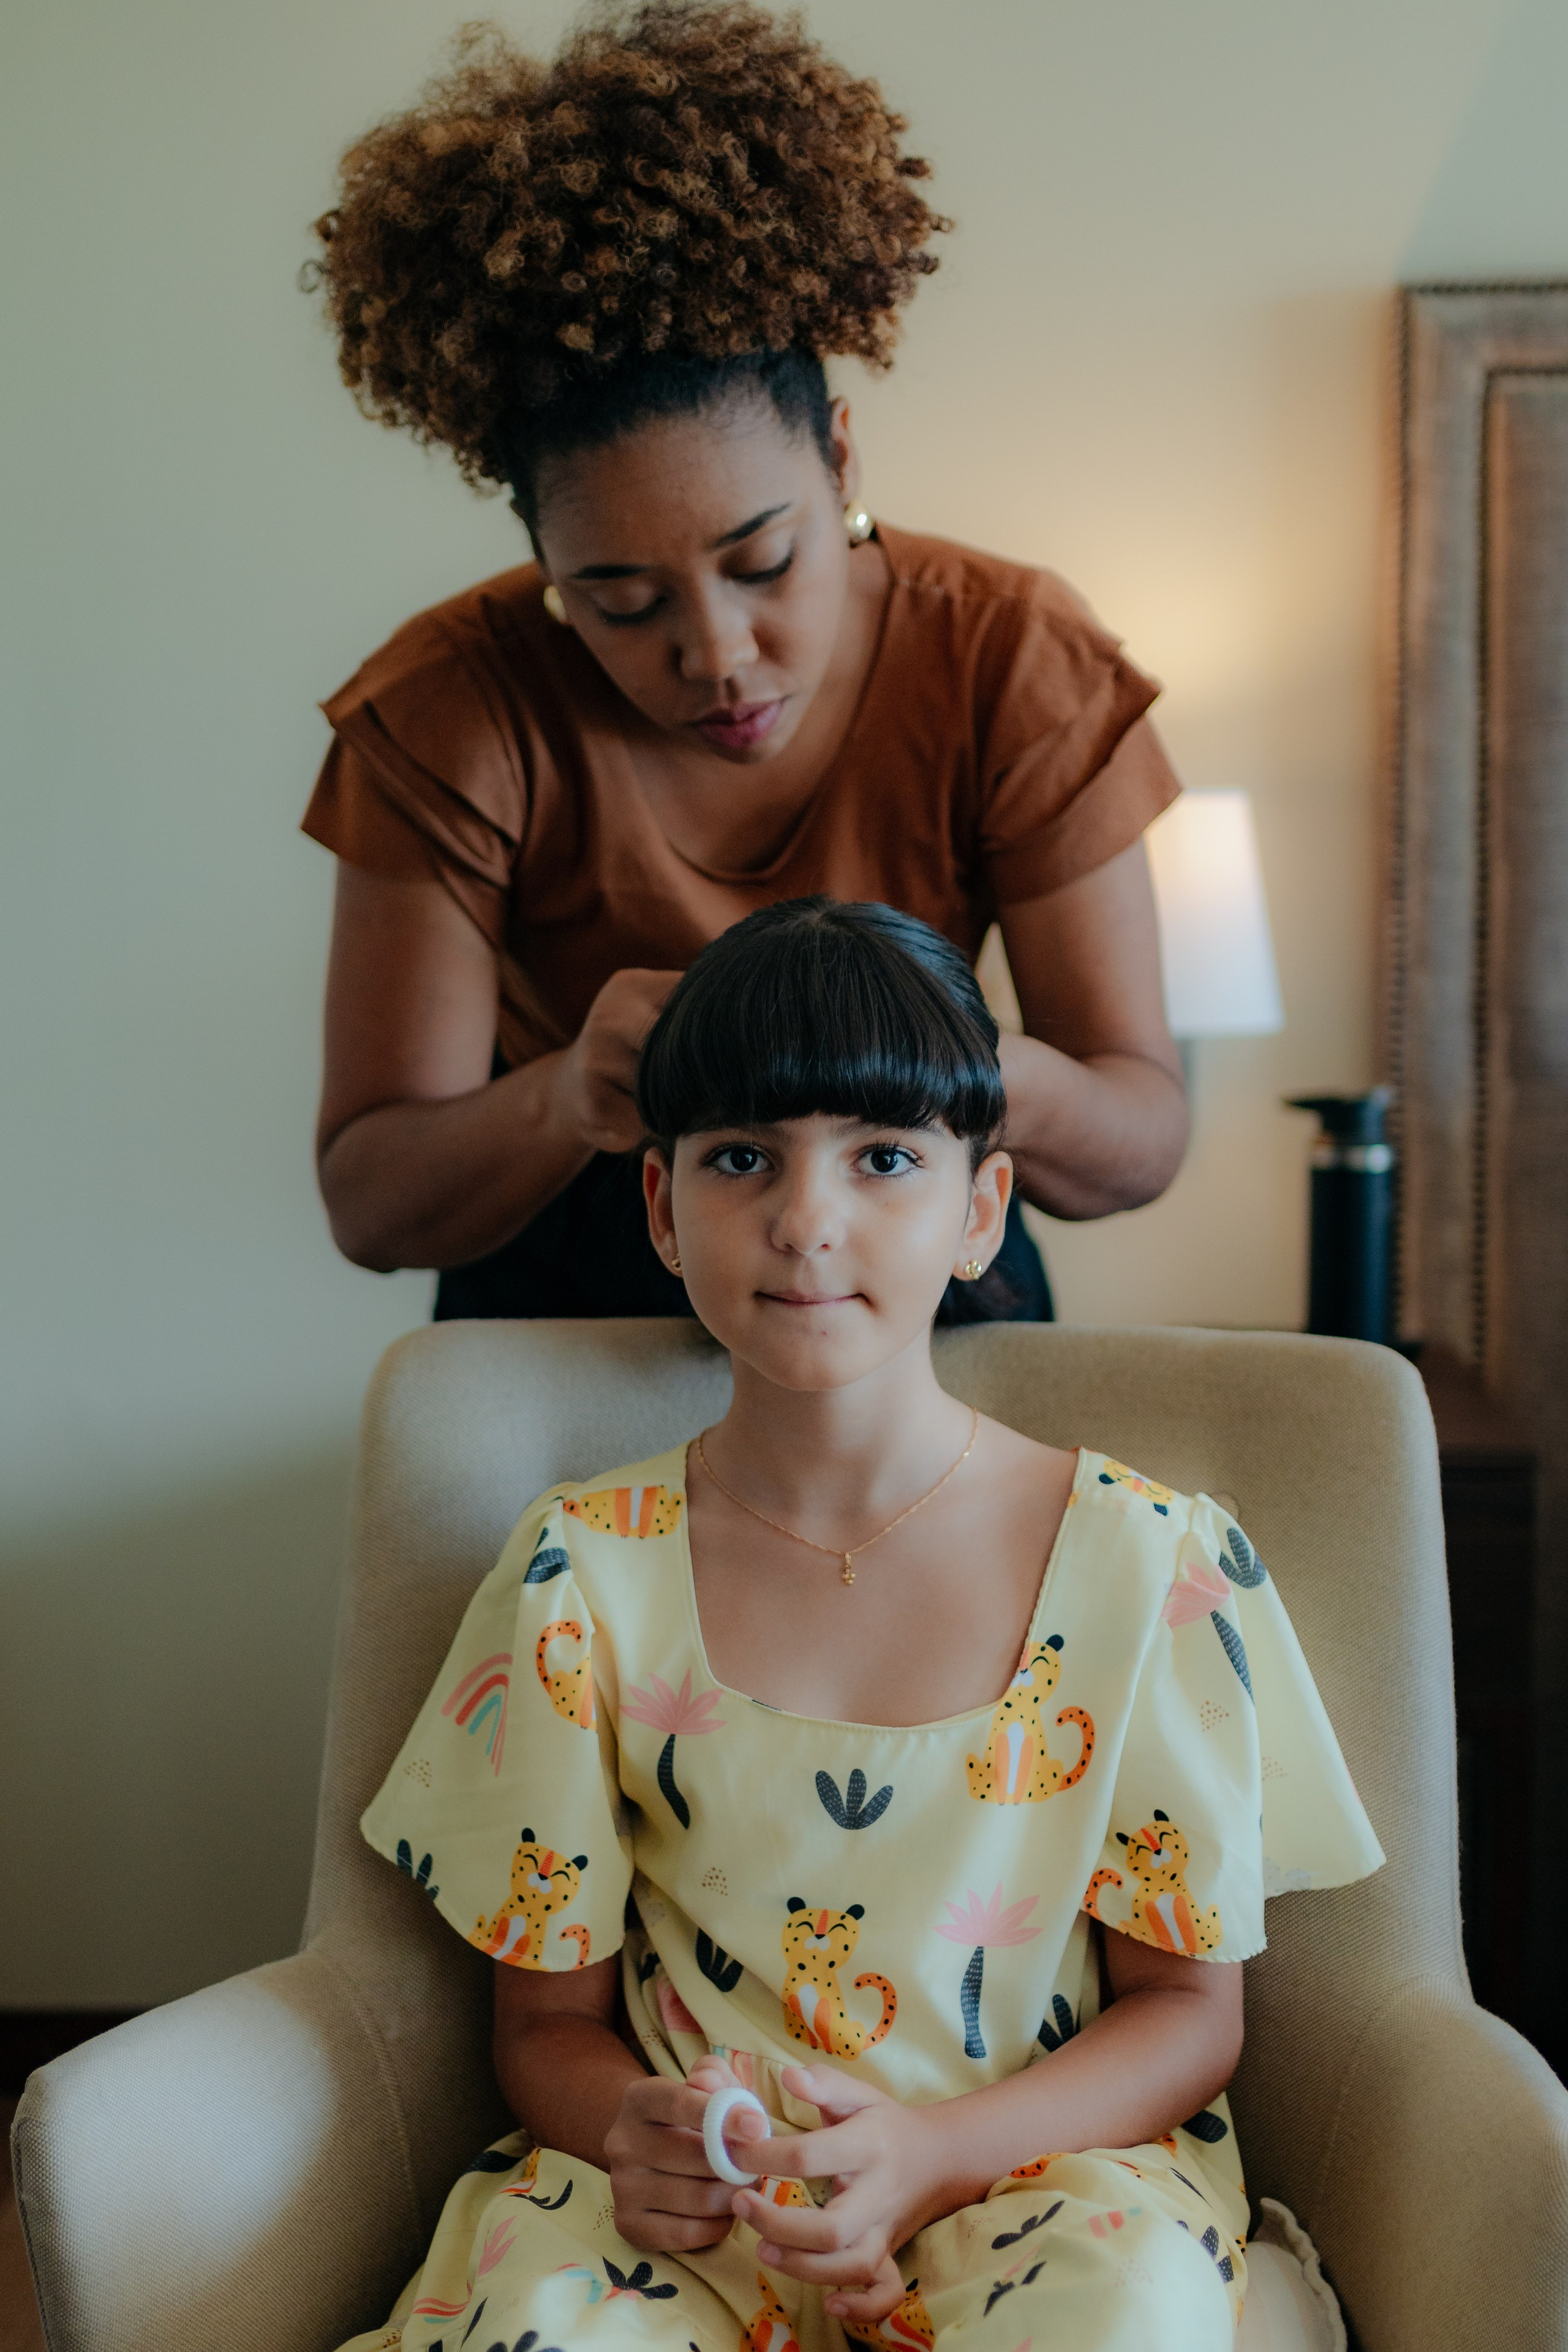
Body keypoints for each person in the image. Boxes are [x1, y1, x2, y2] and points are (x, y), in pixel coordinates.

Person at [339, 898, 1382, 2352]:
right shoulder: (580, 1573)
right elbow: (544, 2029)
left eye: (883, 1157)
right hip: (702, 2220)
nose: (805, 1217)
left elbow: (1190, 2014)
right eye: (740, 1158)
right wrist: (630, 2127)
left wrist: (934, 2156)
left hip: (1032, 2183)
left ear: (979, 1210)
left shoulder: (1144, 1564)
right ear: (660, 1210)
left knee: (1126, 2319)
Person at [301, 0, 1189, 1325]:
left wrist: (950, 1067)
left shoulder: (1009, 660)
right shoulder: (452, 709)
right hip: (566, 1319)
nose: (716, 656)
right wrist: (564, 1095)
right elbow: (372, 1204)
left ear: (837, 460)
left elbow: (1135, 1140)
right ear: (537, 552)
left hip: (919, 1317)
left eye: (764, 562)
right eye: (614, 599)